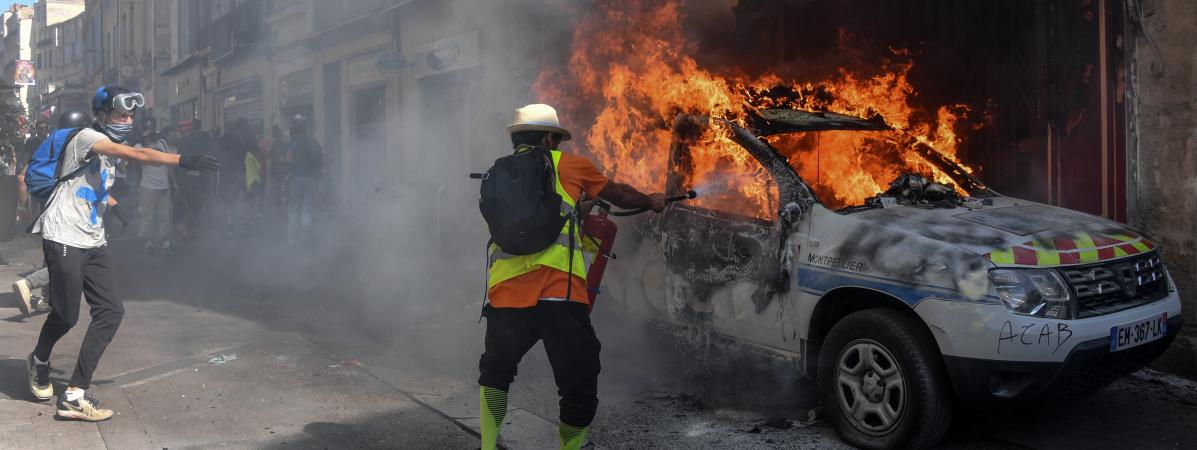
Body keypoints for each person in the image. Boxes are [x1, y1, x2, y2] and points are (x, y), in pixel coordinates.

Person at [477, 104, 666, 450]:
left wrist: (573, 213)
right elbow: (620, 195)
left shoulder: (497, 172)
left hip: (505, 296)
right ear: (550, 137)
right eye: (557, 140)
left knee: (496, 372)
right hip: (558, 297)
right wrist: (651, 200)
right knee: (578, 382)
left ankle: (488, 445)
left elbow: (527, 222)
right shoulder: (570, 165)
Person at [25, 86, 219, 422]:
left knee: (111, 311)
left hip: (93, 238)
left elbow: (89, 182)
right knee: (67, 316)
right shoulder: (87, 137)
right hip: (64, 235)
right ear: (102, 115)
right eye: (121, 115)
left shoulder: (108, 149)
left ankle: (75, 393)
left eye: (131, 116)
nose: (128, 121)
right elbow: (140, 156)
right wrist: (183, 160)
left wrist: (113, 206)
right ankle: (40, 359)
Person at [12, 109, 93, 315]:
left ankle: (48, 299)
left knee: (55, 256)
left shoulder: (49, 147)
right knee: (75, 258)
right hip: (70, 212)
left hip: (49, 211)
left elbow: (23, 178)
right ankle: (29, 284)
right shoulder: (78, 149)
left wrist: (24, 206)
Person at [136, 124, 177, 254]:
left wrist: (173, 183)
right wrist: (146, 143)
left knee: (165, 216)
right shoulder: (139, 146)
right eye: (149, 132)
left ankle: (165, 243)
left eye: (153, 131)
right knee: (147, 217)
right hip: (148, 187)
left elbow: (169, 163)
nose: (152, 134)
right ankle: (148, 243)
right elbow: (138, 162)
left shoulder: (163, 143)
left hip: (164, 186)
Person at [284, 115, 321, 243]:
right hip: (312, 179)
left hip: (296, 178)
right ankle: (306, 234)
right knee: (306, 208)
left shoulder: (291, 142)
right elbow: (320, 158)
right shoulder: (313, 140)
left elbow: (289, 160)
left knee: (294, 208)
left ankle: (292, 241)